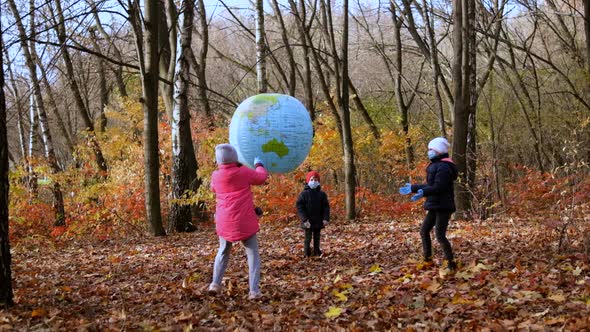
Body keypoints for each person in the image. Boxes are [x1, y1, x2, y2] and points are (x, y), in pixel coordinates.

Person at [208, 144, 269, 300]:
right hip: (244, 220)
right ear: (234, 157)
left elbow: (213, 188)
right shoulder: (243, 172)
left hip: (224, 220)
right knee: (252, 254)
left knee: (223, 250)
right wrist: (259, 164)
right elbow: (261, 177)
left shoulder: (216, 175)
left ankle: (215, 283)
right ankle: (253, 291)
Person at [399, 137, 458, 270]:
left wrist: (423, 192)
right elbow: (431, 185)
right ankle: (427, 259)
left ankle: (451, 263)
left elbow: (439, 187)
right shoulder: (435, 165)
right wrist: (413, 188)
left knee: (440, 235)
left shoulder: (444, 167)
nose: (429, 152)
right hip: (434, 204)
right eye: (429, 149)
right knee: (424, 230)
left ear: (439, 151)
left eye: (432, 149)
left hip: (443, 206)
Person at [296, 170, 330, 257]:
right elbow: (300, 207)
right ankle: (306, 253)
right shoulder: (303, 194)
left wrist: (326, 218)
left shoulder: (322, 194)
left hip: (318, 220)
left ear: (318, 181)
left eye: (315, 179)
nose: (314, 181)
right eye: (312, 179)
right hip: (307, 220)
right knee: (308, 238)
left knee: (317, 237)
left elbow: (326, 207)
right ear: (308, 181)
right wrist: (304, 219)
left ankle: (317, 251)